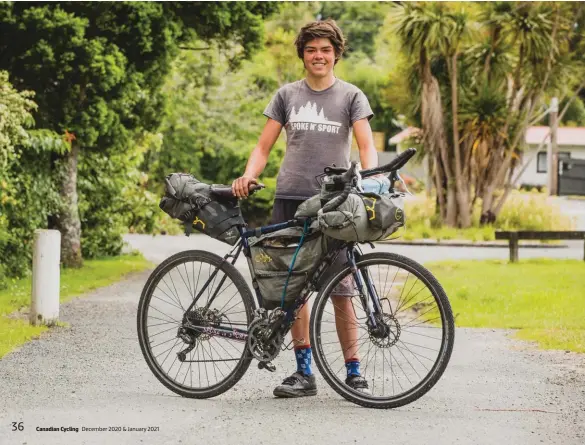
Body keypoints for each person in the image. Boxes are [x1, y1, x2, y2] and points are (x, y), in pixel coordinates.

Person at [232, 19, 377, 397]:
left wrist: (372, 178)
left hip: (335, 204)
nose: (318, 56)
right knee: (292, 290)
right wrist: (248, 175)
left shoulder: (351, 96)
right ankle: (303, 372)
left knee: (343, 288)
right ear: (302, 54)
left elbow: (366, 146)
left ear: (336, 55)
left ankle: (353, 371)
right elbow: (263, 147)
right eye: (311, 49)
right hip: (291, 199)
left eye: (325, 50)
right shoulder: (286, 95)